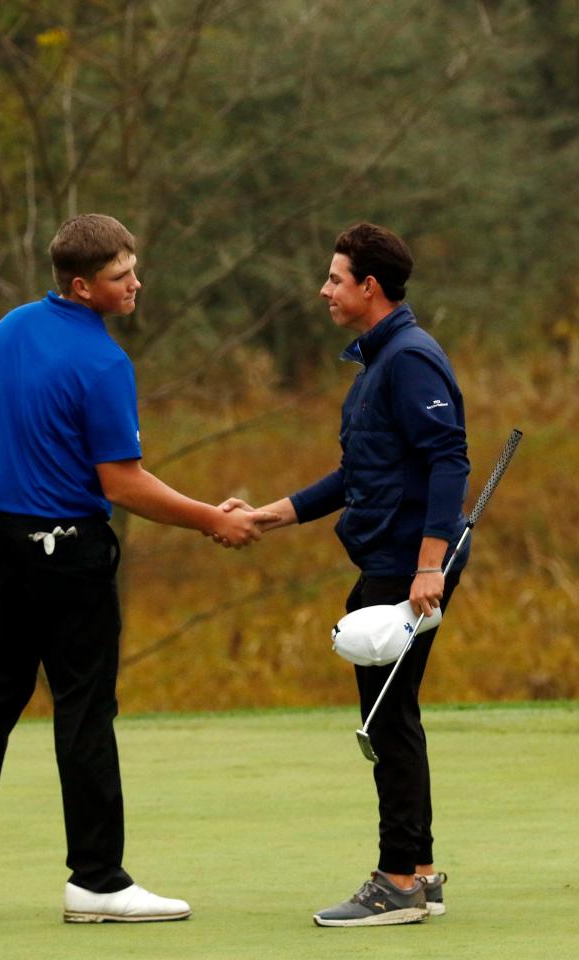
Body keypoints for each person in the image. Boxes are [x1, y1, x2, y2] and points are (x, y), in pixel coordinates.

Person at [0, 213, 276, 923]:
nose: (135, 283)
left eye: (133, 269)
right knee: (83, 711)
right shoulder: (105, 363)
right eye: (121, 276)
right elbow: (122, 485)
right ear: (83, 285)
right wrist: (214, 518)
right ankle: (97, 882)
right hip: (69, 557)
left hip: (5, 541)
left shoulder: (7, 330)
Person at [227, 222, 470, 926]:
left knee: (386, 721)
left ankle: (396, 880)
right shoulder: (377, 366)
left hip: (405, 568)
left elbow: (447, 459)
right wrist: (268, 516)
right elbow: (356, 473)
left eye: (335, 278)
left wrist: (430, 566)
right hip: (390, 562)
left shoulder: (410, 360)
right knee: (392, 718)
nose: (325, 290)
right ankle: (419, 872)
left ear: (370, 286)